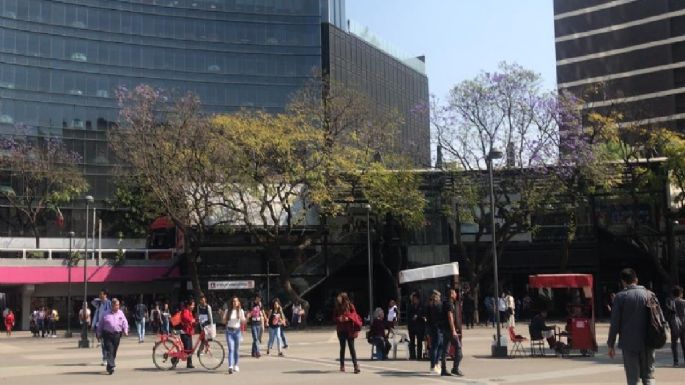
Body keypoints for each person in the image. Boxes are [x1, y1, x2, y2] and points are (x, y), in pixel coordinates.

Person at [607, 268, 656, 385]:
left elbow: (614, 323)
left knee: (633, 379)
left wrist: (611, 344)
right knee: (648, 377)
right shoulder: (650, 295)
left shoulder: (620, 297)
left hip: (629, 343)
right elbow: (660, 319)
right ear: (636, 280)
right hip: (649, 341)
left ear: (623, 282)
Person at [96, 298, 128, 375]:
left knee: (114, 350)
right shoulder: (105, 314)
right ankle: (111, 366)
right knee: (110, 349)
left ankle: (109, 366)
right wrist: (98, 333)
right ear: (112, 305)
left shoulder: (121, 313)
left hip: (117, 334)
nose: (117, 307)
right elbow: (100, 324)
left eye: (118, 305)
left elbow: (125, 322)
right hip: (107, 334)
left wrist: (125, 330)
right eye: (116, 305)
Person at [333, 292, 360, 373]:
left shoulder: (350, 305)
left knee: (352, 348)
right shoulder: (337, 307)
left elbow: (355, 315)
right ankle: (342, 365)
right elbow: (334, 318)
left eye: (340, 298)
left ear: (344, 298)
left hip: (349, 330)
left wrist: (348, 318)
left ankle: (355, 366)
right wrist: (339, 319)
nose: (338, 299)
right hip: (341, 330)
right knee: (342, 348)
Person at [440, 288, 463, 377]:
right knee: (458, 349)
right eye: (455, 293)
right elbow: (450, 316)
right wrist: (453, 329)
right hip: (449, 330)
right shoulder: (449, 304)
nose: (456, 294)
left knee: (445, 350)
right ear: (452, 294)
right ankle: (455, 368)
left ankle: (443, 369)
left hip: (445, 329)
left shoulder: (445, 303)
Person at [222, 296, 246, 374]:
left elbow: (243, 321)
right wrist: (223, 317)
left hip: (237, 332)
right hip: (229, 332)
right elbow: (223, 321)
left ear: (238, 302)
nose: (234, 303)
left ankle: (236, 365)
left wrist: (247, 318)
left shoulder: (241, 311)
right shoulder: (227, 311)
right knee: (231, 349)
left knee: (236, 350)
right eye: (233, 301)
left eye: (236, 301)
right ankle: (230, 366)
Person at [665, 285, 685, 366]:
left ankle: (676, 362)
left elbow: (667, 315)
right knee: (684, 344)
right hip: (684, 325)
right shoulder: (684, 302)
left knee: (674, 344)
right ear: (681, 293)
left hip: (674, 326)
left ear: (673, 294)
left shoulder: (671, 303)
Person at [92, 289, 112, 366]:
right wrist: (93, 325)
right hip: (99, 325)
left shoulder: (109, 303)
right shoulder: (99, 304)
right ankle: (105, 359)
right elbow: (93, 302)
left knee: (108, 343)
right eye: (99, 294)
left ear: (105, 295)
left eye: (101, 294)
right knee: (103, 343)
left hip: (107, 326)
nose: (100, 296)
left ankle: (109, 358)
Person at [426, 289, 444, 374]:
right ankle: (434, 365)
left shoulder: (430, 305)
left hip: (432, 328)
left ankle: (435, 364)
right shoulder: (439, 305)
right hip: (438, 328)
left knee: (437, 346)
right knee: (437, 346)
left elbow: (427, 317)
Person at [407, 292, 426, 360]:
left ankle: (419, 356)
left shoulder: (422, 306)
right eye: (413, 299)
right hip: (412, 326)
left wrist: (418, 316)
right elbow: (408, 315)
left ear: (418, 299)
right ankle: (412, 355)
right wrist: (412, 317)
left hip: (419, 326)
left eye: (415, 299)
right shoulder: (410, 305)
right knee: (412, 341)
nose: (414, 300)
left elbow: (424, 314)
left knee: (419, 342)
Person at [180, 298, 196, 368]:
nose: (193, 306)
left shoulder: (190, 312)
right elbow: (186, 318)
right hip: (184, 333)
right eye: (192, 305)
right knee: (187, 349)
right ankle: (174, 359)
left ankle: (189, 363)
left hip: (188, 332)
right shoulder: (185, 311)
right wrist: (192, 320)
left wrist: (196, 321)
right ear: (189, 306)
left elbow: (192, 321)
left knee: (190, 349)